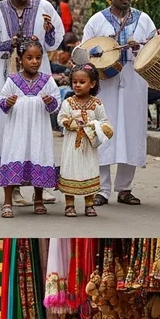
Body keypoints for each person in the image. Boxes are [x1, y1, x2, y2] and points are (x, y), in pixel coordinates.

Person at [0, 0, 64, 207]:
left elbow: (55, 42)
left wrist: (49, 33)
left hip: (39, 76)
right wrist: (11, 43)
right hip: (8, 77)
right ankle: (14, 187)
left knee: (38, 130)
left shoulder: (44, 7)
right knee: (11, 132)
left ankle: (41, 186)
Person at [83, 0, 156, 207]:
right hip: (107, 85)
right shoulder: (96, 21)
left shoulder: (144, 20)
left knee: (132, 132)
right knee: (104, 132)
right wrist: (101, 52)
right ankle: (102, 189)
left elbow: (156, 48)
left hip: (135, 83)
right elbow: (84, 54)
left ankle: (125, 189)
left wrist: (140, 47)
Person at [0, 39, 61, 218]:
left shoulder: (47, 80)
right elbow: (2, 102)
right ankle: (7, 201)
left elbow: (56, 104)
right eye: (29, 58)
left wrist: (51, 102)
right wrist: (7, 103)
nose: (34, 62)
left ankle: (38, 199)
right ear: (20, 60)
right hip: (17, 130)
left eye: (38, 58)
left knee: (38, 155)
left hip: (39, 130)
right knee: (13, 156)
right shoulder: (13, 80)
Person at [57, 64, 114, 217]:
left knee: (89, 169)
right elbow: (60, 118)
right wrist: (69, 123)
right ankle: (69, 205)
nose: (77, 85)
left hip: (89, 145)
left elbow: (104, 120)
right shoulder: (68, 102)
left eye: (82, 82)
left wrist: (104, 128)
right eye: (75, 82)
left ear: (92, 84)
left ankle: (89, 204)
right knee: (70, 169)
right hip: (72, 144)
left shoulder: (96, 104)